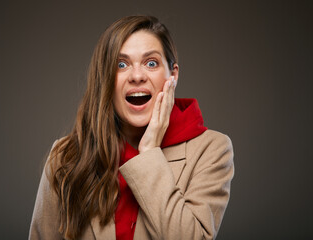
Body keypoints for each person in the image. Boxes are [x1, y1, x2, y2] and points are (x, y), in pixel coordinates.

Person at [29, 15, 234, 240]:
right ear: (105, 78)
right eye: (121, 64)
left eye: (151, 63)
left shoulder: (212, 149)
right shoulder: (65, 154)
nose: (137, 76)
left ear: (173, 75)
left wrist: (149, 152)